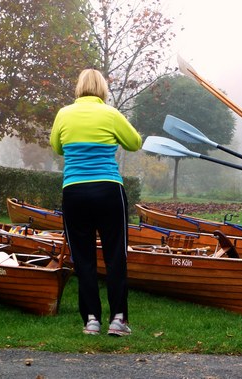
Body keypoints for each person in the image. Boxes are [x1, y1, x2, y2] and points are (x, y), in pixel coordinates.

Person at [50, 68, 142, 336]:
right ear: (102, 89)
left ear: (79, 88)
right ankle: (118, 319)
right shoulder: (111, 114)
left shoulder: (63, 114)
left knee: (84, 259)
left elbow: (57, 147)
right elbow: (135, 143)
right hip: (108, 191)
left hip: (74, 192)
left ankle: (91, 320)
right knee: (116, 256)